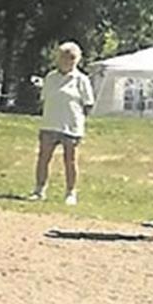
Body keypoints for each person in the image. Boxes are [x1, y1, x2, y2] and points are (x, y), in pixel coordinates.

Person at [32, 42, 94, 206]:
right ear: (58, 58)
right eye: (65, 57)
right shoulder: (50, 77)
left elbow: (88, 104)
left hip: (71, 126)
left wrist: (79, 121)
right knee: (43, 158)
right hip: (50, 123)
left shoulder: (81, 80)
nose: (68, 61)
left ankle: (70, 192)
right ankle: (39, 190)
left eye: (72, 58)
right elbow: (44, 99)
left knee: (70, 160)